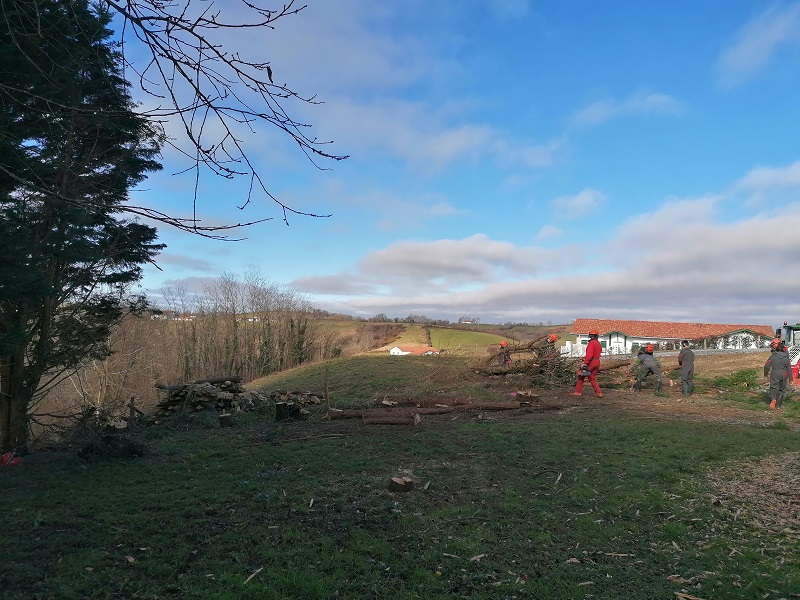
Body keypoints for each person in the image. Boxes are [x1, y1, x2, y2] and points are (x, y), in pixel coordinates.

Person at [571, 329, 603, 398]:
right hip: (597, 362)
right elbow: (597, 353)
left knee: (581, 376)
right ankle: (599, 393)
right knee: (592, 377)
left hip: (591, 363)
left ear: (590, 336)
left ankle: (578, 392)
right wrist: (585, 357)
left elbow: (590, 355)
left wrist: (585, 363)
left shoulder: (591, 343)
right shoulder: (598, 343)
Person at [764, 338, 793, 409]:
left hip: (775, 373)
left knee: (774, 387)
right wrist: (791, 378)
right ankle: (778, 406)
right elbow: (789, 368)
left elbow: (767, 365)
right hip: (784, 374)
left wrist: (765, 374)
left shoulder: (773, 356)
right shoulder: (786, 357)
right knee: (782, 390)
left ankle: (773, 400)